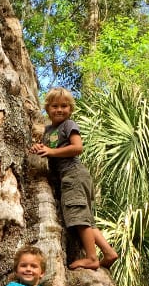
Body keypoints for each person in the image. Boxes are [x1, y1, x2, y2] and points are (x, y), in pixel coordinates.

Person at [30, 87, 118, 270]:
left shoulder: (68, 125)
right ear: (47, 108)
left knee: (78, 218)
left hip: (74, 175)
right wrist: (39, 149)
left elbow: (77, 147)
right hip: (67, 179)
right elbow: (46, 148)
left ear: (70, 109)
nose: (59, 109)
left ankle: (92, 258)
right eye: (55, 106)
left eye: (64, 106)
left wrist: (52, 151)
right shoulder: (48, 130)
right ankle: (108, 252)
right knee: (85, 218)